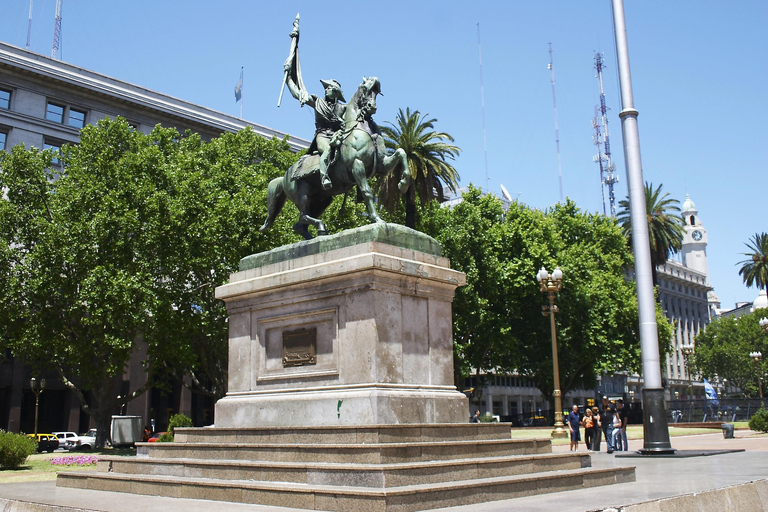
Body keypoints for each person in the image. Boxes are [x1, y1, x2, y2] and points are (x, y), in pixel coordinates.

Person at [283, 26, 346, 191]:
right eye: (325, 87)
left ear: (336, 92)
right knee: (327, 150)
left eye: (329, 88)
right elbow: (297, 93)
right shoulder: (317, 102)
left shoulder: (342, 108)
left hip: (338, 137)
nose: (326, 89)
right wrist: (289, 77)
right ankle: (324, 177)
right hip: (323, 136)